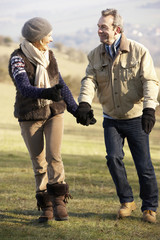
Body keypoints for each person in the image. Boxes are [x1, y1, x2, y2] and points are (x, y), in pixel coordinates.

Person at [76, 8, 159, 223]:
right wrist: (84, 103)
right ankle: (127, 202)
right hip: (111, 119)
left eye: (103, 27)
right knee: (113, 159)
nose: (99, 31)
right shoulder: (95, 54)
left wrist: (150, 109)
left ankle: (149, 207)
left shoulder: (139, 51)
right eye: (98, 26)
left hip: (136, 117)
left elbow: (150, 81)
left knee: (144, 165)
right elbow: (89, 80)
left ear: (117, 29)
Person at [8, 17, 79, 223]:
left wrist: (76, 109)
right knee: (39, 162)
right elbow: (23, 88)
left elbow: (61, 84)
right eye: (48, 35)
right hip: (30, 116)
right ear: (38, 38)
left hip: (53, 113)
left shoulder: (49, 55)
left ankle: (59, 202)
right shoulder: (18, 58)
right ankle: (46, 204)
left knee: (54, 156)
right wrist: (47, 92)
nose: (51, 38)